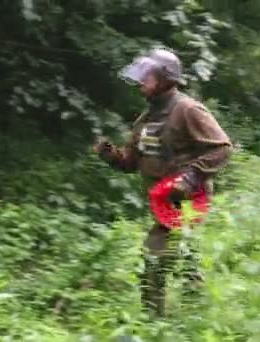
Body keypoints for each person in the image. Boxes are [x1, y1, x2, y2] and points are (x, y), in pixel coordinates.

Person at [93, 48, 232, 317]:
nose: (141, 81)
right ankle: (196, 315)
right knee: (183, 256)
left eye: (148, 76)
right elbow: (131, 163)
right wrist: (110, 155)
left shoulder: (188, 110)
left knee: (154, 259)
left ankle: (152, 324)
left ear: (166, 79)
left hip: (188, 200)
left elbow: (222, 148)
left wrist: (192, 176)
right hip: (162, 200)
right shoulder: (145, 120)